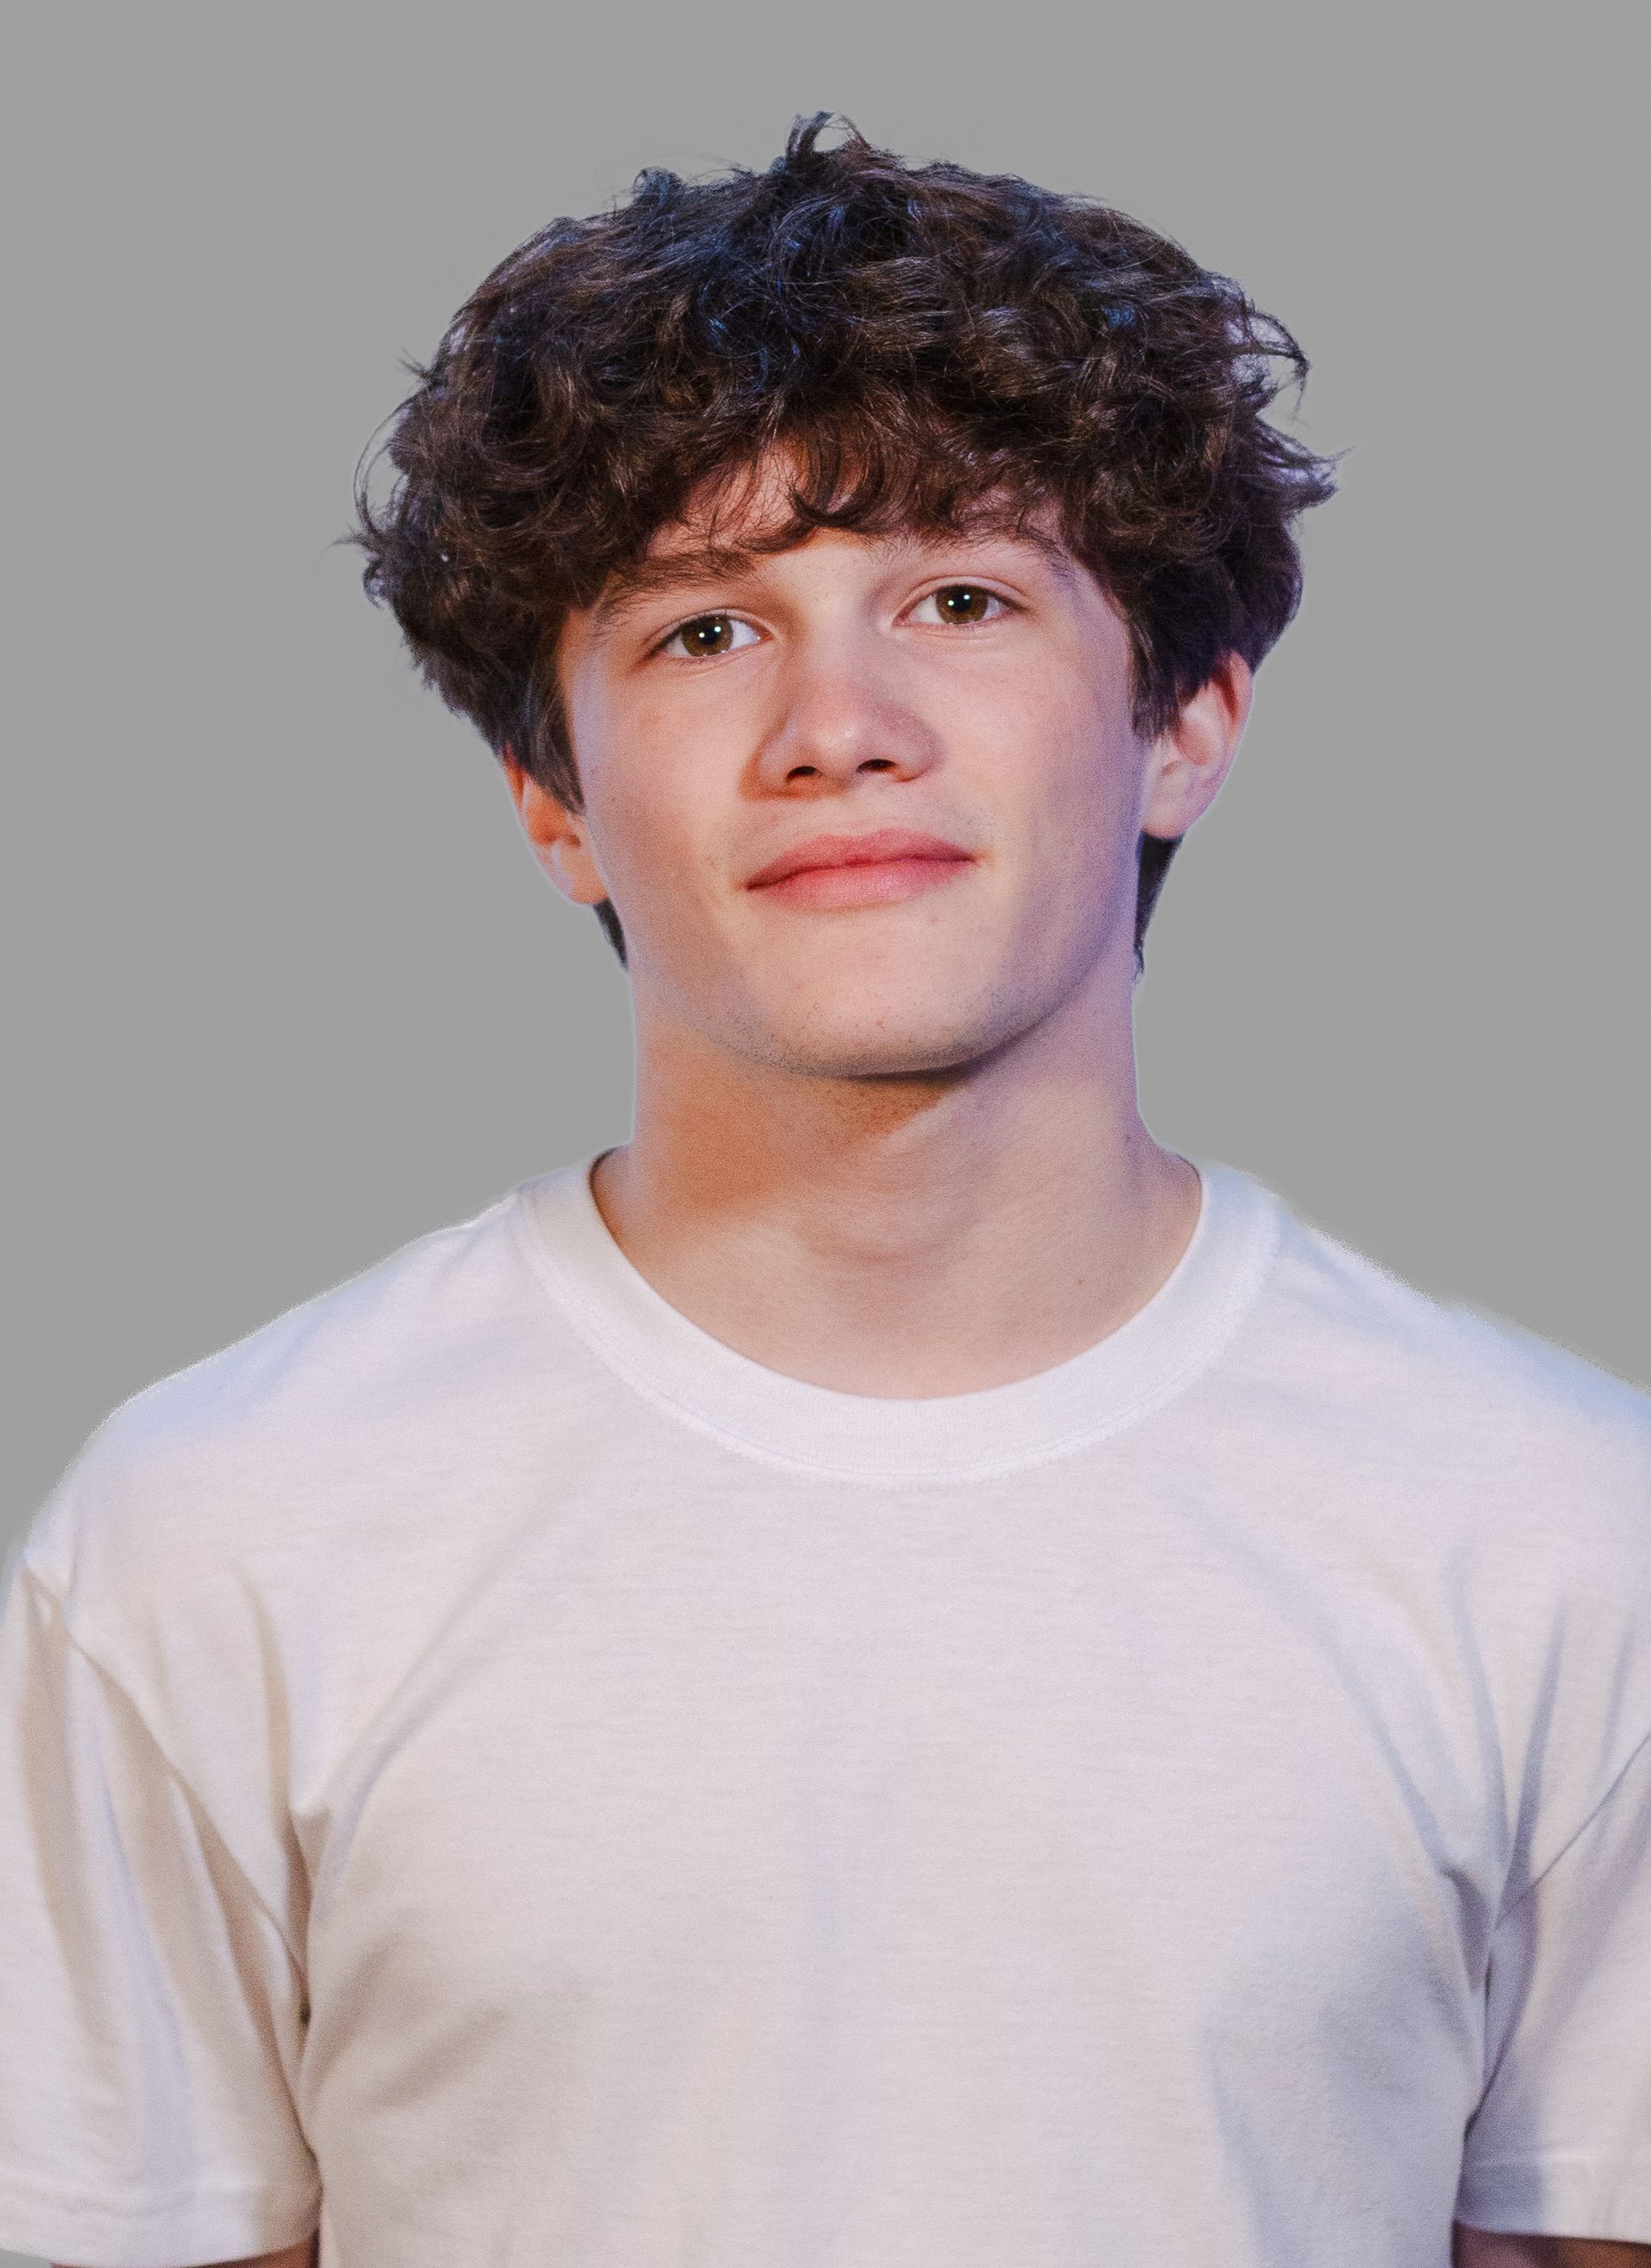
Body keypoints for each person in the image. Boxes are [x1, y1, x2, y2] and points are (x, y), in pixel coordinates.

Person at [0, 114, 1647, 2268]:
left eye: (959, 599)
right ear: (551, 800)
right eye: (702, 634)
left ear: (1186, 722)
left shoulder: (1554, 1522)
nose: (836, 723)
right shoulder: (215, 1529)